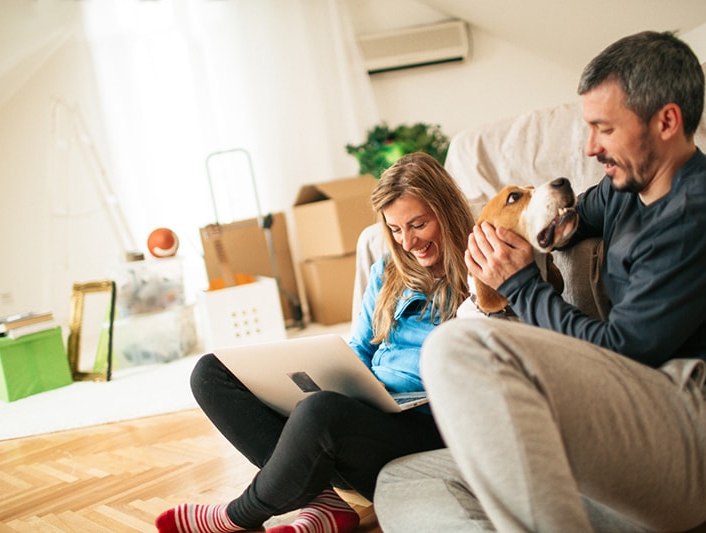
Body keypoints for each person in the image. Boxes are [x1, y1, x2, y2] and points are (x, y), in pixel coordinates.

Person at [374, 31, 706, 533]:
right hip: (623, 431)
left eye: (604, 128)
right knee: (404, 479)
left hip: (690, 437)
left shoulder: (700, 217)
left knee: (456, 347)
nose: (590, 146)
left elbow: (621, 350)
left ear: (667, 121)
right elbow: (570, 216)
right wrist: (516, 238)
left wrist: (519, 284)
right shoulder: (628, 187)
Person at [155, 151, 475, 533]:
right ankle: (322, 502)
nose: (407, 241)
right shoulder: (387, 273)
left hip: (423, 427)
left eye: (418, 224)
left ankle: (237, 516)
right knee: (210, 372)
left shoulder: (480, 272)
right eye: (395, 230)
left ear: (447, 211)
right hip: (363, 417)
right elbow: (360, 350)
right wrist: (324, 377)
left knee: (321, 412)